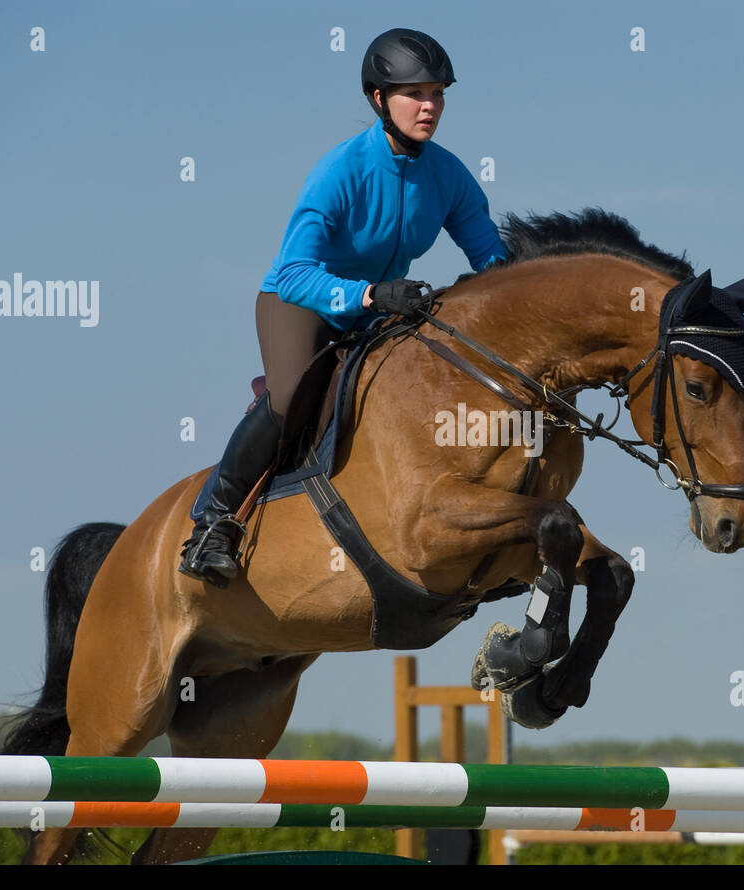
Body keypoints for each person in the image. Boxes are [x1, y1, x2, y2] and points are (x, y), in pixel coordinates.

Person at [179, 27, 509, 587]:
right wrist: (369, 295)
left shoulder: (448, 174)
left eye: (438, 94)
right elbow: (294, 272)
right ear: (378, 99)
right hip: (300, 303)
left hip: (381, 309)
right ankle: (213, 521)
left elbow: (494, 263)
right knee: (291, 397)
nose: (429, 106)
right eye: (415, 94)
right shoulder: (341, 170)